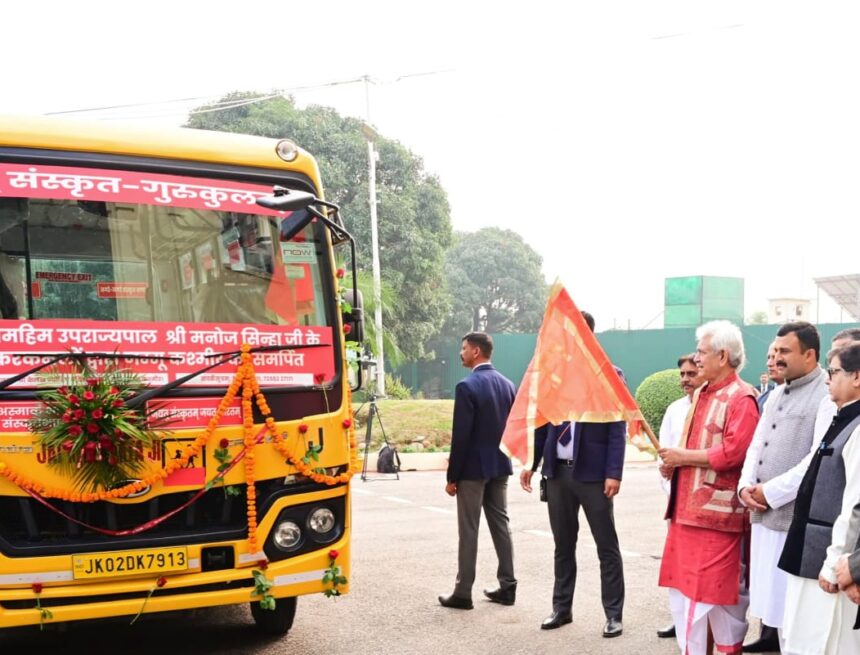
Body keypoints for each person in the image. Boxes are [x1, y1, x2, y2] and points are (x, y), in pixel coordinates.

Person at [519, 310, 625, 638]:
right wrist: (532, 463)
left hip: (593, 477)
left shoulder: (608, 376)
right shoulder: (554, 378)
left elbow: (616, 429)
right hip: (558, 476)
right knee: (563, 546)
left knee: (605, 546)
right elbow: (541, 425)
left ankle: (613, 615)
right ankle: (561, 609)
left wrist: (613, 473)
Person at [658, 320, 759, 655]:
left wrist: (683, 455)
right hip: (685, 518)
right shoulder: (701, 393)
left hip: (717, 520)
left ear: (723, 355)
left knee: (721, 599)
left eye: (702, 351)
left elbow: (734, 453)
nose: (696, 358)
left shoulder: (742, 397)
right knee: (686, 600)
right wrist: (673, 463)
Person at [736, 322, 828, 653]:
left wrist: (770, 492)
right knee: (771, 605)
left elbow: (816, 460)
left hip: (792, 521)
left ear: (809, 354)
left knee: (795, 614)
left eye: (784, 351)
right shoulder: (775, 393)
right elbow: (756, 447)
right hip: (763, 517)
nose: (776, 357)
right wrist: (746, 487)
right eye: (775, 351)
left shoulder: (825, 394)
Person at [777, 343, 860, 654]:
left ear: (857, 377)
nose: (827, 378)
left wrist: (833, 563)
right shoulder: (842, 418)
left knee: (828, 642)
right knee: (802, 639)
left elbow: (855, 505)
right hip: (809, 552)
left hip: (830, 562)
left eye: (834, 371)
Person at [439, 332, 517, 610]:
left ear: (475, 351)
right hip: (500, 465)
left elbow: (462, 436)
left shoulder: (467, 386)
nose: (460, 353)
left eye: (463, 349)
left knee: (469, 530)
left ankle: (463, 592)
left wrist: (452, 477)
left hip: (473, 469)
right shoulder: (508, 385)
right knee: (501, 525)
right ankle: (508, 586)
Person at [656, 353, 705, 639]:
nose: (685, 379)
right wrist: (667, 478)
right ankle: (679, 618)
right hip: (676, 503)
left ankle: (699, 622)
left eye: (691, 373)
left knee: (702, 568)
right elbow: (662, 453)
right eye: (682, 375)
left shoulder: (719, 407)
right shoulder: (674, 409)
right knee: (679, 566)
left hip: (705, 505)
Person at [757, 341, 785, 412]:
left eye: (774, 357)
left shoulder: (808, 398)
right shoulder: (761, 400)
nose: (769, 363)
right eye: (768, 357)